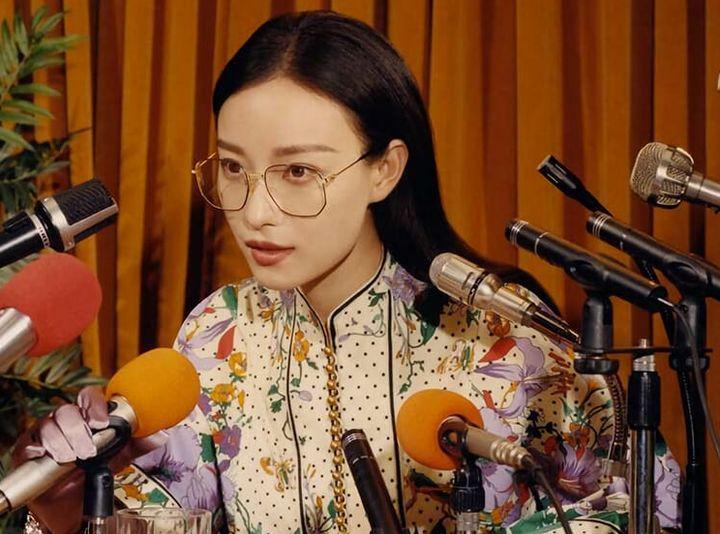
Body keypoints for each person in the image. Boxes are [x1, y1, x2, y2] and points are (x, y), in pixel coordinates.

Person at [15, 10, 680, 534]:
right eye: (234, 168)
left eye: (297, 171)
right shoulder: (220, 330)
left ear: (385, 170)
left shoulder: (504, 344)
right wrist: (66, 502)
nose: (255, 212)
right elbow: (161, 515)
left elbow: (643, 505)